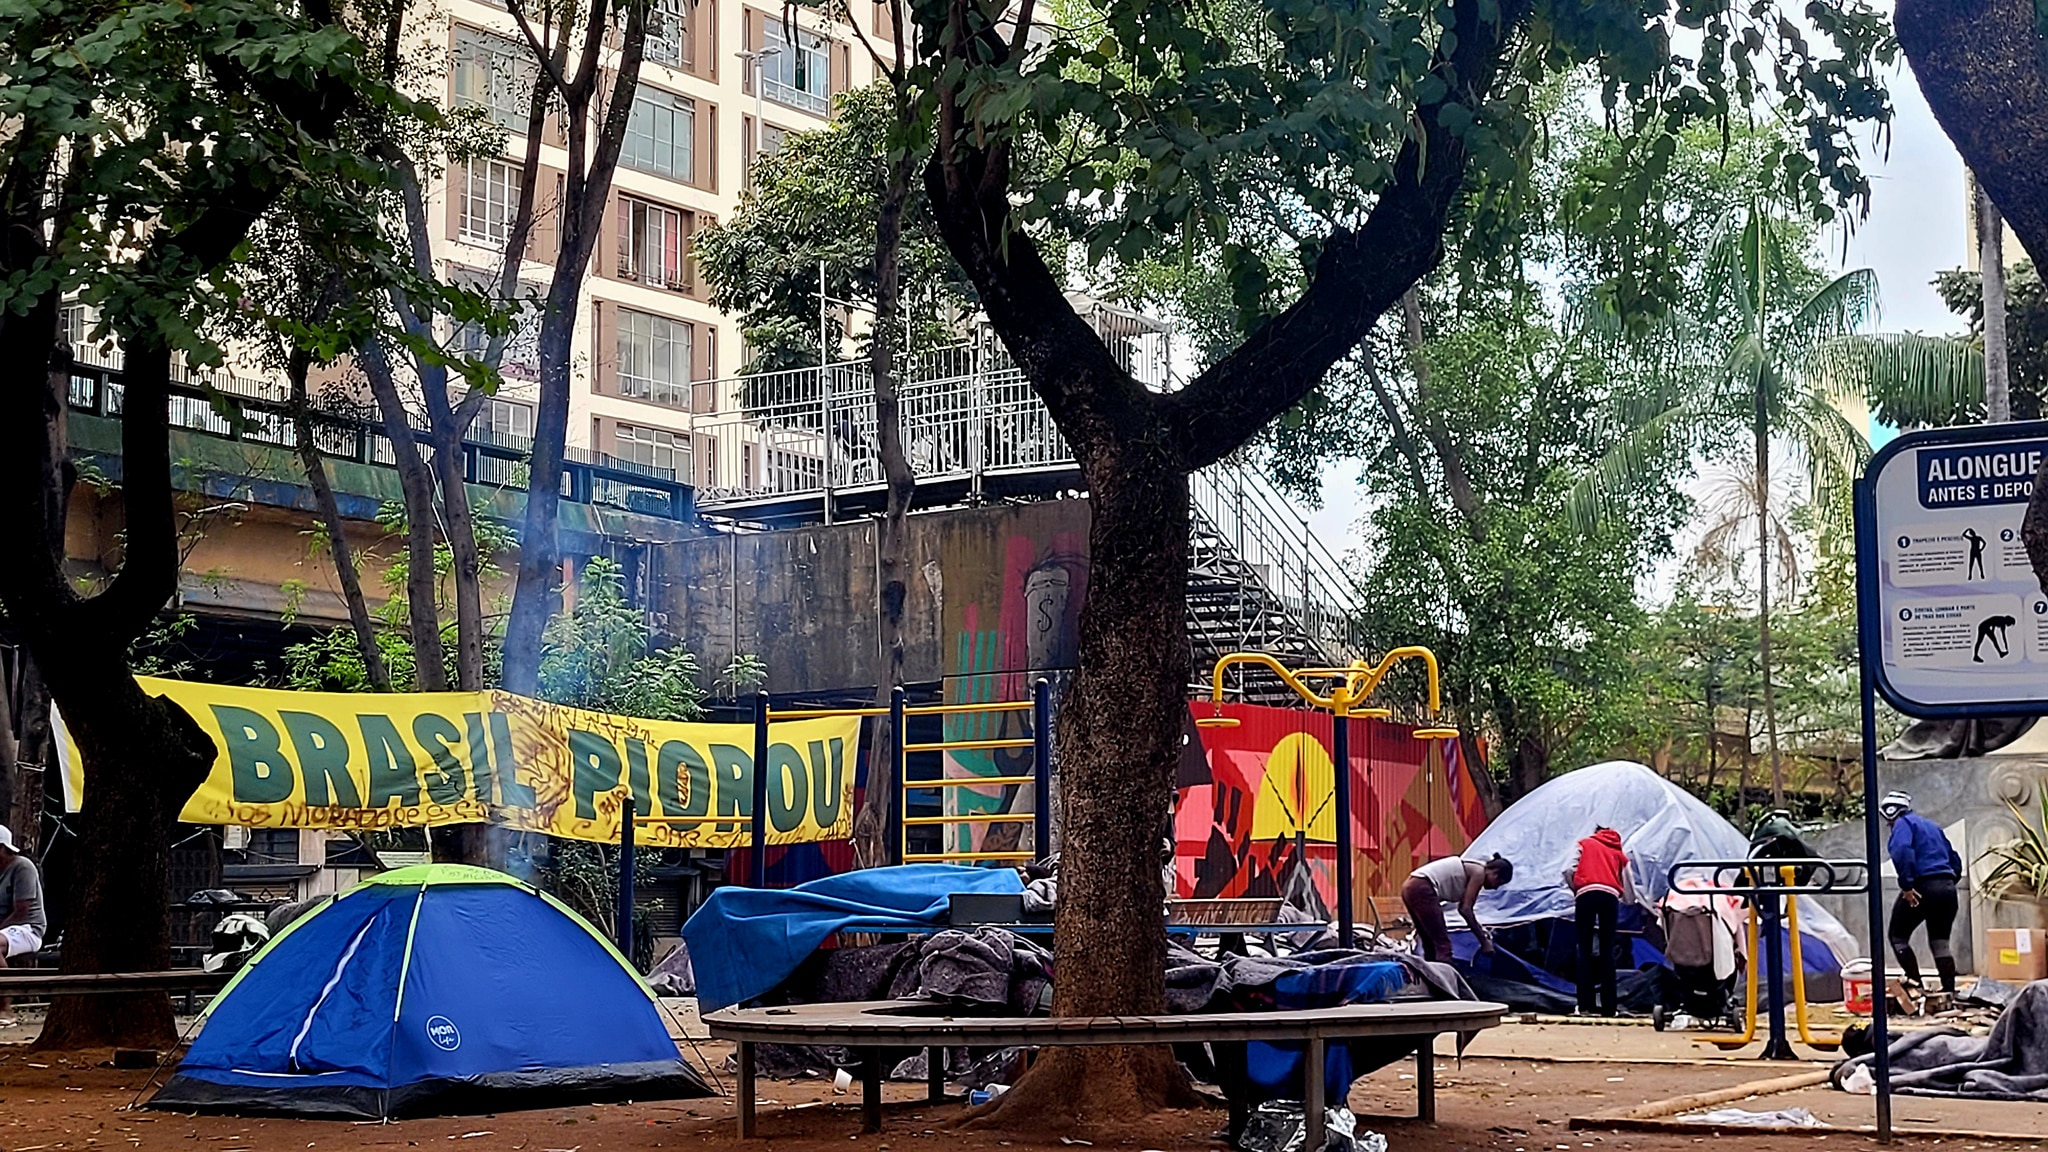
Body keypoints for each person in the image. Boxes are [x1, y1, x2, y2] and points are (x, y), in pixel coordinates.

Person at [1880, 791, 1962, 997]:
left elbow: (1902, 851)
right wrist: (1947, 883)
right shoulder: (1931, 826)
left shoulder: (1903, 824)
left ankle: (1915, 984)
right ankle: (1949, 990)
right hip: (1947, 888)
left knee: (1898, 936)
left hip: (1921, 887)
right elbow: (1954, 858)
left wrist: (1907, 886)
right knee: (1940, 941)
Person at [1563, 826, 1631, 1016]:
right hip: (1610, 896)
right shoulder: (1618, 852)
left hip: (1586, 894)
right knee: (1607, 949)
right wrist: (1625, 899)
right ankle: (1610, 1008)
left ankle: (1584, 1006)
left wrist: (1576, 888)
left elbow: (1568, 868)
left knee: (1584, 948)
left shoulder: (1584, 843)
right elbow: (1629, 884)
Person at [1402, 853, 1512, 963]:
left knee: (1429, 941)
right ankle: (1446, 976)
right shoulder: (1479, 873)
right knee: (1443, 945)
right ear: (1495, 872)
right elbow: (1465, 909)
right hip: (1422, 887)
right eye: (1498, 882)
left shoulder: (1472, 866)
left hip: (1410, 887)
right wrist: (1484, 941)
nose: (1495, 887)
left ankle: (1430, 975)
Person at [0, 825, 46, 1022]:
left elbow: (22, 911)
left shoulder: (22, 867)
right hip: (5, 929)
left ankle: (4, 1007)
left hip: (27, 928)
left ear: (2, 848)